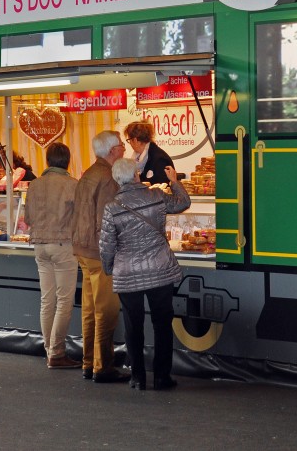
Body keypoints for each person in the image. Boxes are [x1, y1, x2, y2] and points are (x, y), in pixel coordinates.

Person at [100, 158, 191, 391]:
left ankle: (138, 377)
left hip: (128, 272)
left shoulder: (112, 207)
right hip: (160, 269)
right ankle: (162, 377)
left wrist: (109, 267)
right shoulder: (155, 196)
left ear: (117, 179)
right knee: (162, 324)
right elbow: (182, 203)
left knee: (133, 325)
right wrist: (174, 182)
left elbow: (107, 244)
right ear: (137, 175)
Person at [72, 130, 126, 383]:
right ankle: (103, 366)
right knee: (107, 310)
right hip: (99, 252)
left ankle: (88, 362)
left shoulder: (89, 174)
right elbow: (108, 221)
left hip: (83, 249)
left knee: (90, 310)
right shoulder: (108, 178)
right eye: (121, 145)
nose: (124, 148)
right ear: (113, 150)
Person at [25, 142, 79, 369]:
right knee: (64, 301)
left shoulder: (35, 184)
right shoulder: (72, 185)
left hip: (39, 244)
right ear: (67, 161)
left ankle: (49, 349)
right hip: (63, 245)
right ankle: (56, 353)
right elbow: (80, 218)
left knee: (47, 300)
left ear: (48, 161)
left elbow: (27, 218)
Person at [124, 121, 175, 185]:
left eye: (129, 140)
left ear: (135, 140)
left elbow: (162, 188)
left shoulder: (159, 159)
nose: (130, 143)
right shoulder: (139, 158)